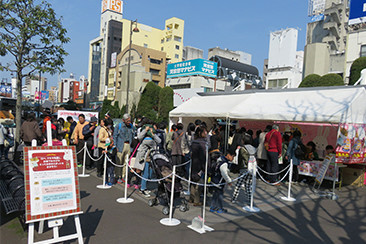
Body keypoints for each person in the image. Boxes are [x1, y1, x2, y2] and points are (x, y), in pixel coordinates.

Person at [231, 133, 256, 204]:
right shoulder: (253, 148)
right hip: (251, 169)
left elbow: (241, 159)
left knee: (238, 185)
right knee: (248, 185)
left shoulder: (243, 149)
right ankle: (250, 199)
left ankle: (234, 199)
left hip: (244, 168)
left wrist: (238, 167)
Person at [113, 113, 135, 183]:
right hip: (120, 145)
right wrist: (115, 146)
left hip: (129, 145)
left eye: (129, 120)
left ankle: (124, 176)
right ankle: (118, 175)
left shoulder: (132, 127)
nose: (129, 122)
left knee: (126, 162)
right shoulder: (118, 126)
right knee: (119, 161)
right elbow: (115, 136)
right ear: (123, 120)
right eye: (127, 121)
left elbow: (133, 136)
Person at [189, 125, 207, 206]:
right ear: (201, 133)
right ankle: (196, 200)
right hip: (200, 164)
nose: (206, 133)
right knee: (199, 184)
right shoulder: (202, 143)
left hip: (193, 163)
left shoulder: (194, 142)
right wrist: (205, 167)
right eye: (205, 131)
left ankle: (191, 198)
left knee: (193, 181)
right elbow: (204, 156)